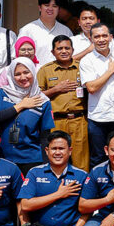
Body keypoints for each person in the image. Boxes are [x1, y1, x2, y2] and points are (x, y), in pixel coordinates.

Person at [17, 130, 87, 226]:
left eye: (61, 149)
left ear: (70, 151)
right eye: (53, 149)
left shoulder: (81, 176)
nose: (57, 152)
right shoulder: (34, 173)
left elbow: (87, 210)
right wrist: (58, 194)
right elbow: (26, 204)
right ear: (47, 150)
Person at [0, 57, 54, 175]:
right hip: (3, 157)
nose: (23, 77)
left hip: (32, 159)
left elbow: (45, 136)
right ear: (12, 76)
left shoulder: (43, 101)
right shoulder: (2, 93)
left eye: (26, 72)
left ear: (33, 72)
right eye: (17, 74)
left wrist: (46, 164)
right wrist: (20, 106)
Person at [36, 36, 89, 170]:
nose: (64, 51)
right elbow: (36, 96)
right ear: (53, 52)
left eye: (67, 48)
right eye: (59, 48)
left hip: (79, 121)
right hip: (56, 122)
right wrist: (56, 89)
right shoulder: (45, 70)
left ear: (73, 50)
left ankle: (81, 189)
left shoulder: (82, 67)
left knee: (81, 162)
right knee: (56, 159)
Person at [79, 23, 114, 168]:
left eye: (104, 35)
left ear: (111, 37)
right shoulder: (87, 60)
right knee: (98, 157)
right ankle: (98, 189)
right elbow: (92, 87)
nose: (101, 39)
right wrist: (111, 70)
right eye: (97, 36)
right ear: (91, 39)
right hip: (97, 118)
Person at [18, 0, 73, 65]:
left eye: (54, 6)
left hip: (61, 74)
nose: (50, 8)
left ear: (59, 9)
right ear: (40, 8)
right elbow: (20, 57)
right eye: (47, 5)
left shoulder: (66, 31)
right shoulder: (27, 30)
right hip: (36, 74)